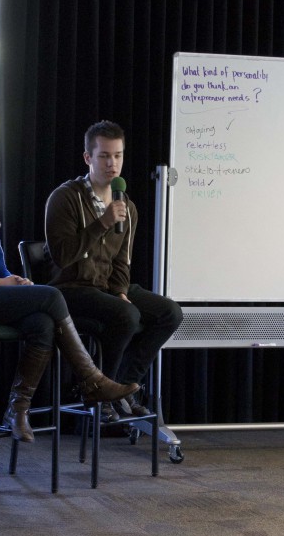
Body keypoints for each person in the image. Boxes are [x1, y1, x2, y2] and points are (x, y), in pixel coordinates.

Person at [0, 136, 139, 444]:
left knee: (42, 323)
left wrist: (14, 279)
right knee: (51, 295)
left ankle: (17, 409)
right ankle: (91, 380)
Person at [44, 120, 183, 418]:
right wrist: (102, 223)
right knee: (127, 315)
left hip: (106, 286)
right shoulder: (65, 197)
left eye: (118, 156)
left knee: (169, 312)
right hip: (71, 288)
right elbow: (62, 256)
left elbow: (123, 261)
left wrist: (120, 291)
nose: (112, 163)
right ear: (88, 158)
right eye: (105, 156)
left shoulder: (126, 206)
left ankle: (122, 383)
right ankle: (98, 391)